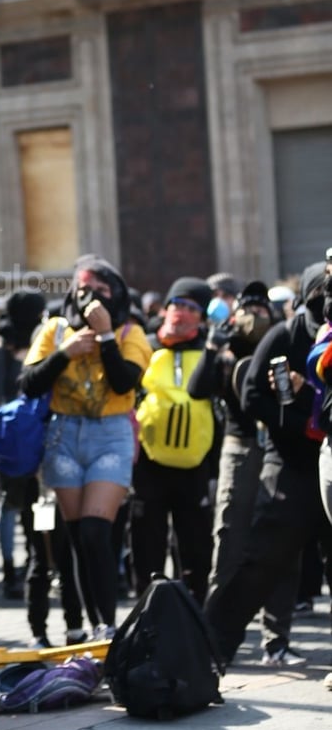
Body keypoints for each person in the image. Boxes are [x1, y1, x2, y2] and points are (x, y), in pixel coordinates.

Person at [205, 261, 332, 665]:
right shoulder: (284, 334)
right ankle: (210, 650)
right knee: (261, 560)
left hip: (326, 461)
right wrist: (299, 424)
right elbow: (252, 394)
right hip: (291, 467)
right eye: (320, 293)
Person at [18, 255, 152, 639]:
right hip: (64, 437)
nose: (90, 297)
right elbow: (28, 383)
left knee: (96, 533)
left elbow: (126, 383)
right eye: (83, 289)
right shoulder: (56, 330)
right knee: (76, 540)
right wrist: (65, 354)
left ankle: (108, 626)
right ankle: (89, 629)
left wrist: (106, 336)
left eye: (100, 290)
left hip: (110, 435)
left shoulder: (131, 334)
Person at [188, 280, 304, 664]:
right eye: (247, 308)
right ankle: (212, 635)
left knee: (281, 545)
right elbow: (197, 390)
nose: (254, 315)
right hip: (238, 450)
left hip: (278, 450)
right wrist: (211, 345)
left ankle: (276, 641)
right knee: (230, 541)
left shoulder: (281, 345)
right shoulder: (226, 353)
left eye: (261, 308)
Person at [129, 276, 215, 605]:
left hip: (195, 464)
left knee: (195, 547)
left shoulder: (210, 349)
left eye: (191, 307)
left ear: (202, 317)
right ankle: (145, 612)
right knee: (147, 544)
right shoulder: (145, 346)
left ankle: (192, 615)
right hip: (148, 463)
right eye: (176, 304)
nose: (180, 312)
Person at [0, 290, 47, 600]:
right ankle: (34, 564)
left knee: (13, 504)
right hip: (33, 440)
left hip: (11, 443)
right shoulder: (40, 342)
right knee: (35, 504)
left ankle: (20, 569)